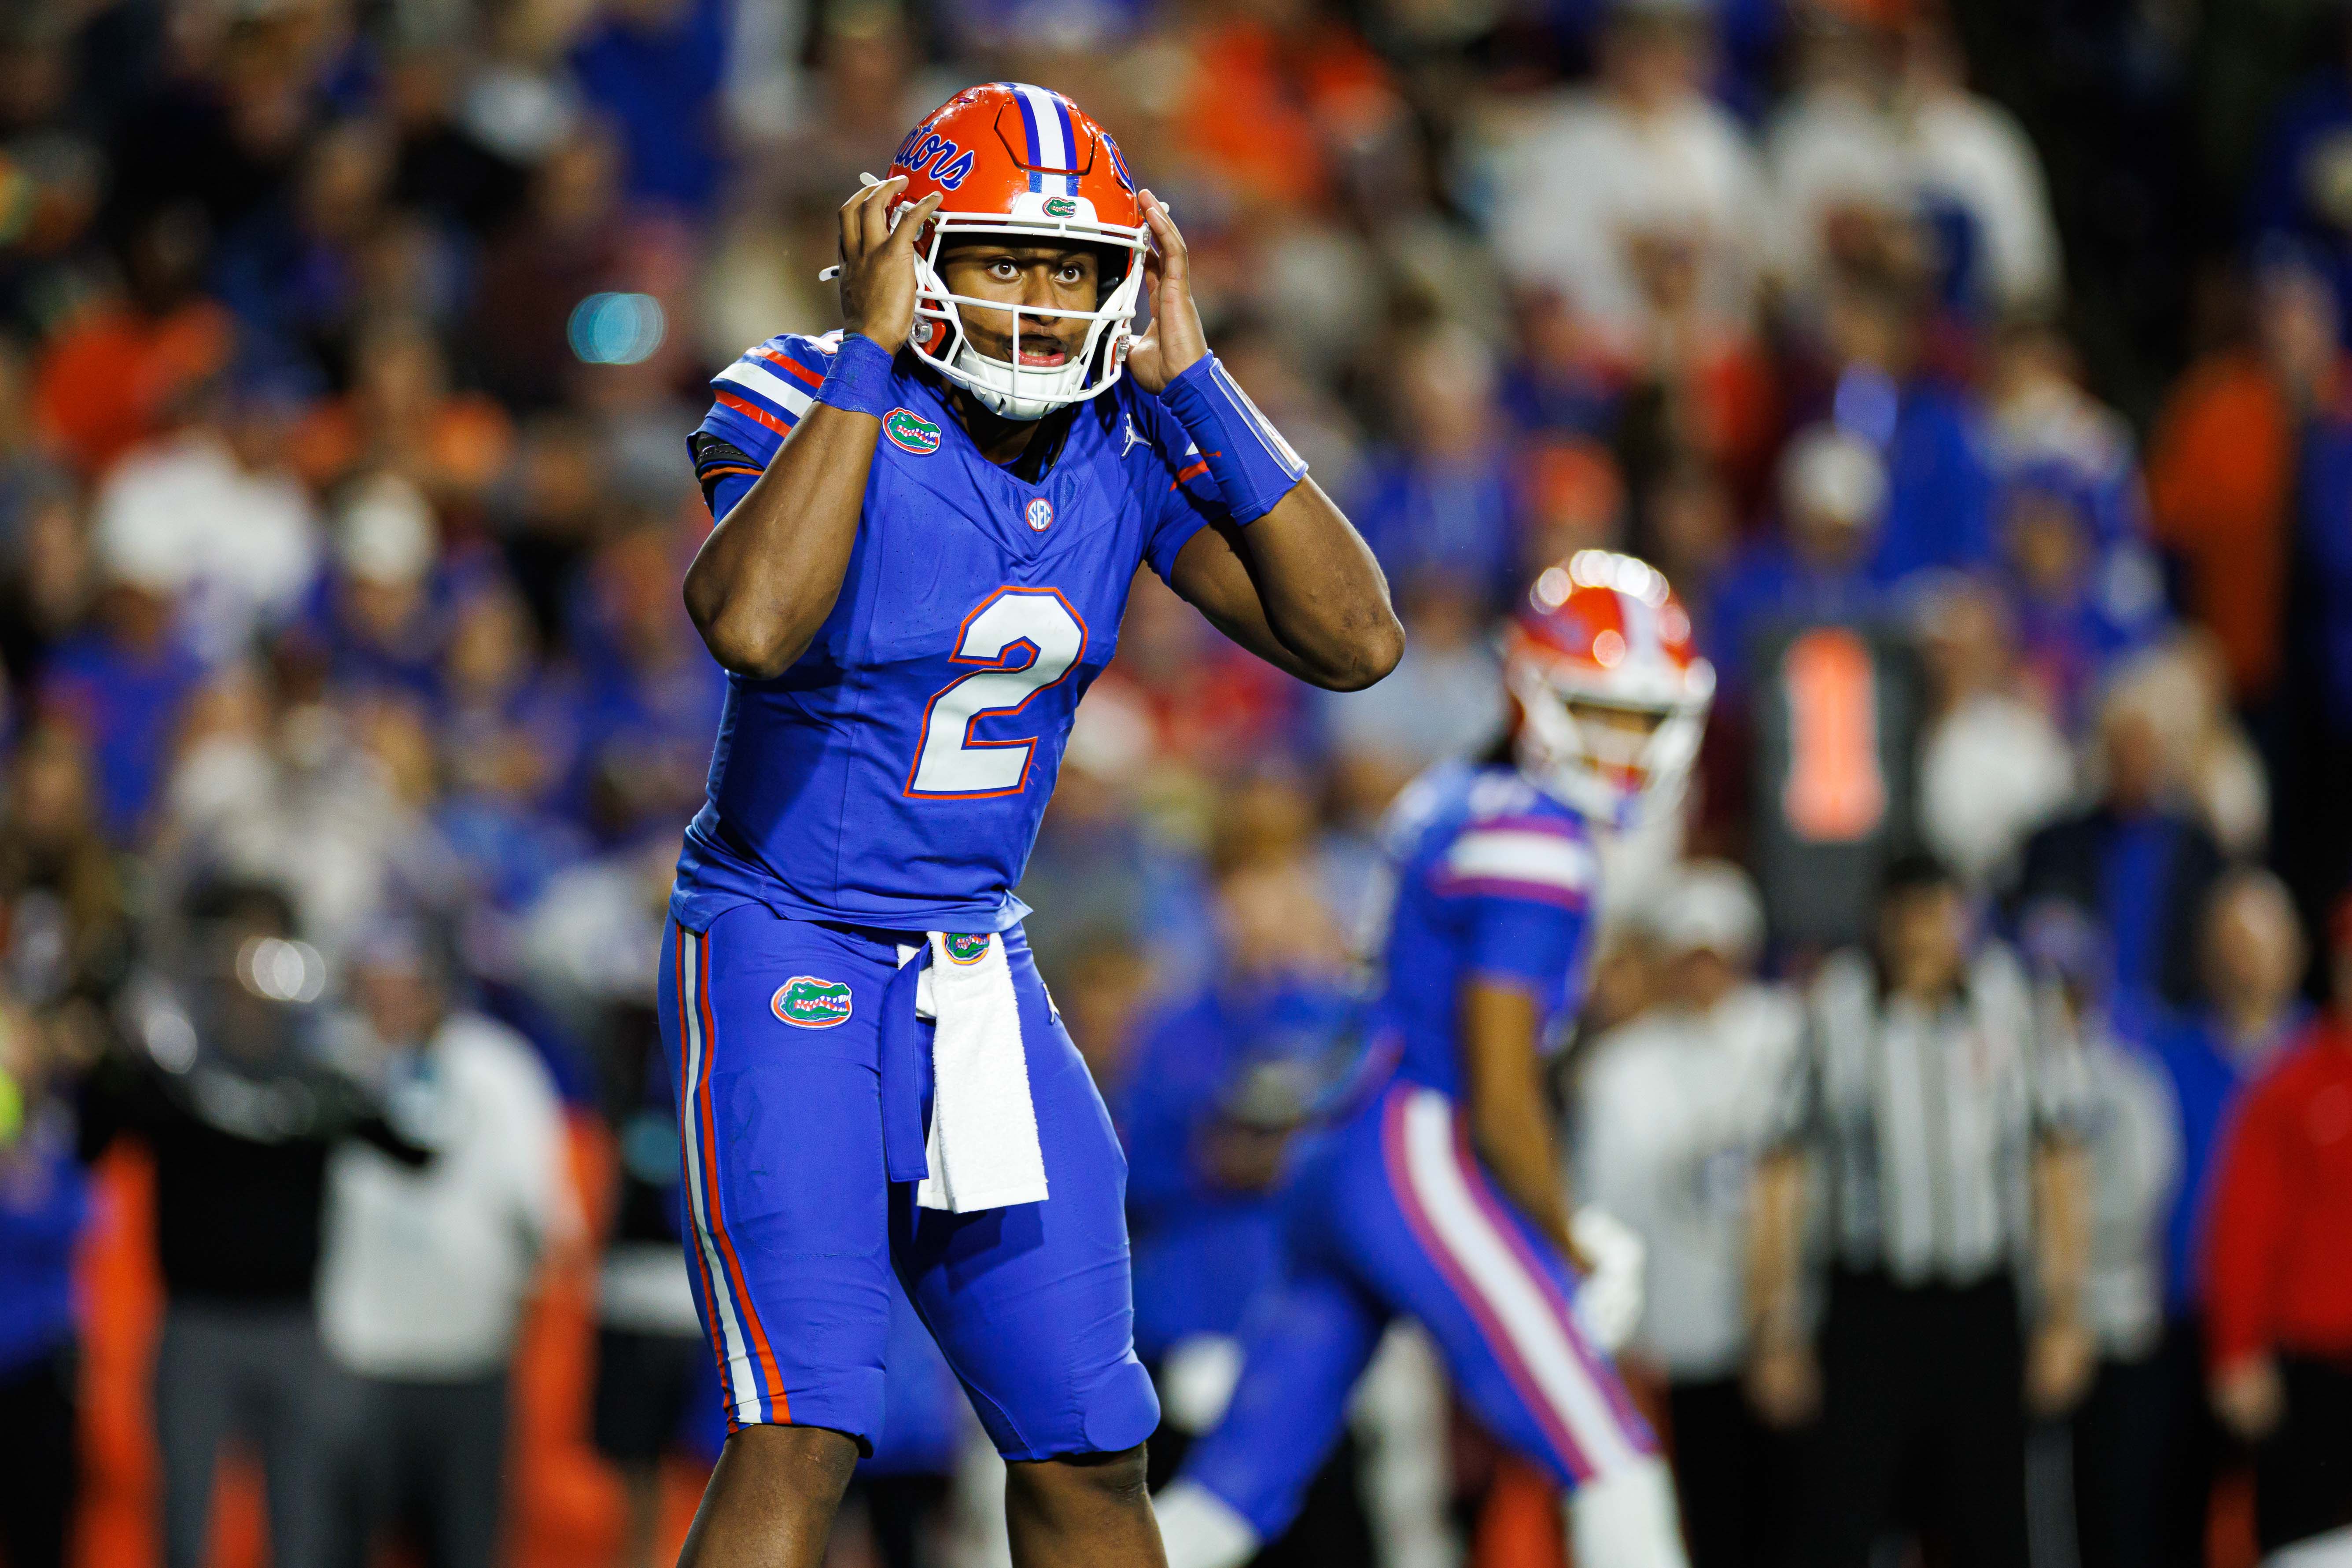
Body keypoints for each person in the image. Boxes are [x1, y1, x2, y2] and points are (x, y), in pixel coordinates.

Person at [660, 82, 1402, 1568]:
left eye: (1072, 268)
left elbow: (1354, 638)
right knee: (802, 1429)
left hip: (977, 970)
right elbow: (750, 618)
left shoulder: (1126, 437)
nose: (1039, 300)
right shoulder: (798, 387)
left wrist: (1194, 380)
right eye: (1004, 257)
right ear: (912, 245)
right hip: (788, 942)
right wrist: (870, 353)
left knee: (1090, 1445)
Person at [1155, 550, 1711, 1568]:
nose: (1624, 743)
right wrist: (1572, 1239)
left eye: (1641, 716)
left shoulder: (1456, 793)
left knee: (1225, 1497)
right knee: (1610, 1449)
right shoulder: (1536, 840)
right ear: (1533, 689)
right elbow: (1500, 1096)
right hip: (1415, 1149)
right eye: (1602, 710)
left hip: (1342, 1146)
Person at [1744, 854, 2092, 1568]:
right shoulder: (1835, 1009)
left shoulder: (2013, 1005)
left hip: (1980, 1303)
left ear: (1962, 916)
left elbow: (2055, 1162)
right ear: (1882, 919)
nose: (1922, 933)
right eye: (1907, 912)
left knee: (1995, 1520)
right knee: (1840, 1516)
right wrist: (1773, 1323)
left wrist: (2064, 1311)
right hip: (1871, 1305)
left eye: (1937, 911)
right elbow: (1782, 1171)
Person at [78, 876, 433, 1568]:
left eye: (271, 948)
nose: (254, 967)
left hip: (295, 1329)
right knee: (186, 1532)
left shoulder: (323, 1073)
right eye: (238, 947)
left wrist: (392, 1053)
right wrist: (113, 1047)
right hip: (194, 1324)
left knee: (303, 1534)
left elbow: (415, 1151)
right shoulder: (172, 1068)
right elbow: (93, 1141)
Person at [313, 920, 578, 1568]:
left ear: (440, 985)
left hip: (468, 1362)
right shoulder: (329, 1062)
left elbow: (549, 1217)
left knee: (462, 1546)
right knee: (337, 1545)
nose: (391, 999)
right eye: (376, 982)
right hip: (354, 1357)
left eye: (407, 981)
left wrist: (519, 1295)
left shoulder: (499, 1067)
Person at [1575, 860, 1803, 1568]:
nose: (1703, 973)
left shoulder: (1788, 1034)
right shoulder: (1621, 1068)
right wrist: (1617, 1328)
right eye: (1689, 955)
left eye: (1716, 954)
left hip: (1789, 1332)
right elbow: (1602, 1204)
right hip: (1685, 1335)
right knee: (1710, 1519)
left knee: (1801, 1517)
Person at [2143, 870, 2309, 1567]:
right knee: (2167, 1514)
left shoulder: (2322, 1057)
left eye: (2260, 941)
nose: (2245, 958)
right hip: (2182, 1316)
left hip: (2295, 1336)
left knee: (2293, 1524)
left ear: (2294, 953)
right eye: (2230, 941)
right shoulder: (2164, 1057)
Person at [2201, 894, 2352, 1557]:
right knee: (2309, 1547)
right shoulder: (2291, 1085)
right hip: (2317, 1365)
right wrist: (2237, 1349)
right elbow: (2243, 1228)